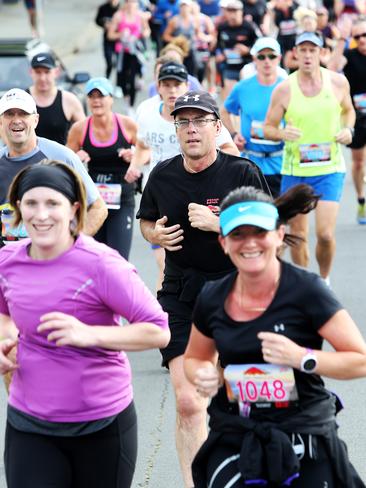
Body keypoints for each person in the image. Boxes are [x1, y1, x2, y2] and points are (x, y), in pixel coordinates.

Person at [0, 159, 170, 488]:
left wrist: (88, 334)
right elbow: (4, 314)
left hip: (102, 424)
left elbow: (158, 330)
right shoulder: (8, 262)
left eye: (53, 203)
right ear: (19, 208)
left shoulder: (101, 265)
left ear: (74, 209)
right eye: (31, 203)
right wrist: (5, 339)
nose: (41, 214)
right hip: (30, 422)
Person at [184, 184, 366, 488]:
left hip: (302, 427)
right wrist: (203, 374)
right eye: (238, 235)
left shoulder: (307, 290)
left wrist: (302, 358)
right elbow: (196, 358)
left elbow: (360, 359)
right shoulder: (213, 297)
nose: (250, 243)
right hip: (236, 429)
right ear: (223, 242)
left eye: (260, 232)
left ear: (279, 235)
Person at [136, 90, 266, 488]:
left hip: (238, 295)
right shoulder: (163, 174)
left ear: (216, 127)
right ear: (175, 129)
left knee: (241, 399)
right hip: (181, 295)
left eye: (199, 122)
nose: (191, 130)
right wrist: (153, 232)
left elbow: (268, 233)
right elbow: (146, 222)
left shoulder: (241, 172)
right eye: (183, 122)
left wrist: (221, 222)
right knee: (190, 403)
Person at [127, 66, 238, 289]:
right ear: (157, 87)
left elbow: (231, 150)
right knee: (165, 267)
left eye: (176, 85)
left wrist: (211, 175)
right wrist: (135, 164)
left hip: (205, 194)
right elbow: (142, 147)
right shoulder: (146, 113)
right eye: (166, 85)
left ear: (187, 86)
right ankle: (162, 320)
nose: (171, 90)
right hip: (164, 195)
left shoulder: (205, 121)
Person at [263, 31, 355, 285]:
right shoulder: (284, 89)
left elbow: (349, 111)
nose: (307, 55)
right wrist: (282, 133)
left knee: (325, 234)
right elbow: (268, 128)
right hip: (296, 172)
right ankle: (306, 284)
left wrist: (349, 129)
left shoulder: (337, 83)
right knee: (298, 235)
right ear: (294, 54)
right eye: (302, 50)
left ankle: (323, 280)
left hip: (330, 169)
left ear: (320, 53)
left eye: (312, 50)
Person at [0, 88, 107, 243]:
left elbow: (97, 208)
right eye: (9, 114)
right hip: (9, 260)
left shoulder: (61, 156)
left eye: (23, 113)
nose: (16, 120)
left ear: (35, 120)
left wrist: (72, 245)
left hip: (52, 259)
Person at [67, 77, 137, 260]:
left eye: (101, 96)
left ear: (111, 99)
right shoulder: (79, 129)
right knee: (93, 258)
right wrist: (77, 157)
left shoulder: (127, 124)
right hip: (93, 201)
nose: (96, 101)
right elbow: (64, 164)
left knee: (118, 260)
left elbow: (148, 151)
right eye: (92, 96)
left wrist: (134, 156)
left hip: (122, 199)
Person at [221, 37, 287, 197]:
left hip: (281, 163)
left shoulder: (287, 86)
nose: (267, 61)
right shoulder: (242, 87)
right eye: (261, 56)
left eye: (271, 56)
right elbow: (224, 111)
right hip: (251, 162)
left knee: (281, 217)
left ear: (279, 59)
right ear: (254, 59)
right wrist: (233, 135)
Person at [328, 16, 366, 224]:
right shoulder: (349, 56)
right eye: (357, 36)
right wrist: (342, 39)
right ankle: (362, 201)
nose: (362, 39)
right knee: (359, 162)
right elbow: (332, 68)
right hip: (358, 117)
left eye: (365, 35)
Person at [28, 52, 86, 145]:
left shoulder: (69, 100)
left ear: (56, 72)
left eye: (47, 72)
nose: (42, 78)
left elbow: (85, 133)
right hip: (28, 159)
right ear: (31, 72)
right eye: (38, 72)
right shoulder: (22, 100)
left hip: (60, 159)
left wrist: (78, 151)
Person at [108, 0, 151, 114]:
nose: (131, 4)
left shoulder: (140, 16)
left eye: (133, 1)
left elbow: (147, 30)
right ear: (125, 3)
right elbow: (110, 35)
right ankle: (126, 99)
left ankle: (131, 105)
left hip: (135, 51)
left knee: (132, 79)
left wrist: (143, 33)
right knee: (121, 79)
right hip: (122, 52)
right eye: (128, 1)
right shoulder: (118, 16)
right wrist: (120, 34)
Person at [215, 0, 258, 101]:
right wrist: (220, 54)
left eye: (235, 11)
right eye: (230, 11)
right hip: (229, 65)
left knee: (247, 96)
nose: (232, 14)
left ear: (241, 12)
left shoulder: (249, 26)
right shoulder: (222, 27)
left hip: (246, 65)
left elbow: (260, 45)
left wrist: (247, 50)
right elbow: (217, 45)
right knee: (230, 97)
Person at [95, 0, 120, 78]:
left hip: (119, 39)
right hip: (107, 39)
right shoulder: (103, 8)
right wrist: (104, 24)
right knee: (109, 61)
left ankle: (119, 80)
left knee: (120, 63)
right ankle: (107, 77)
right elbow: (97, 20)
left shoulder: (121, 8)